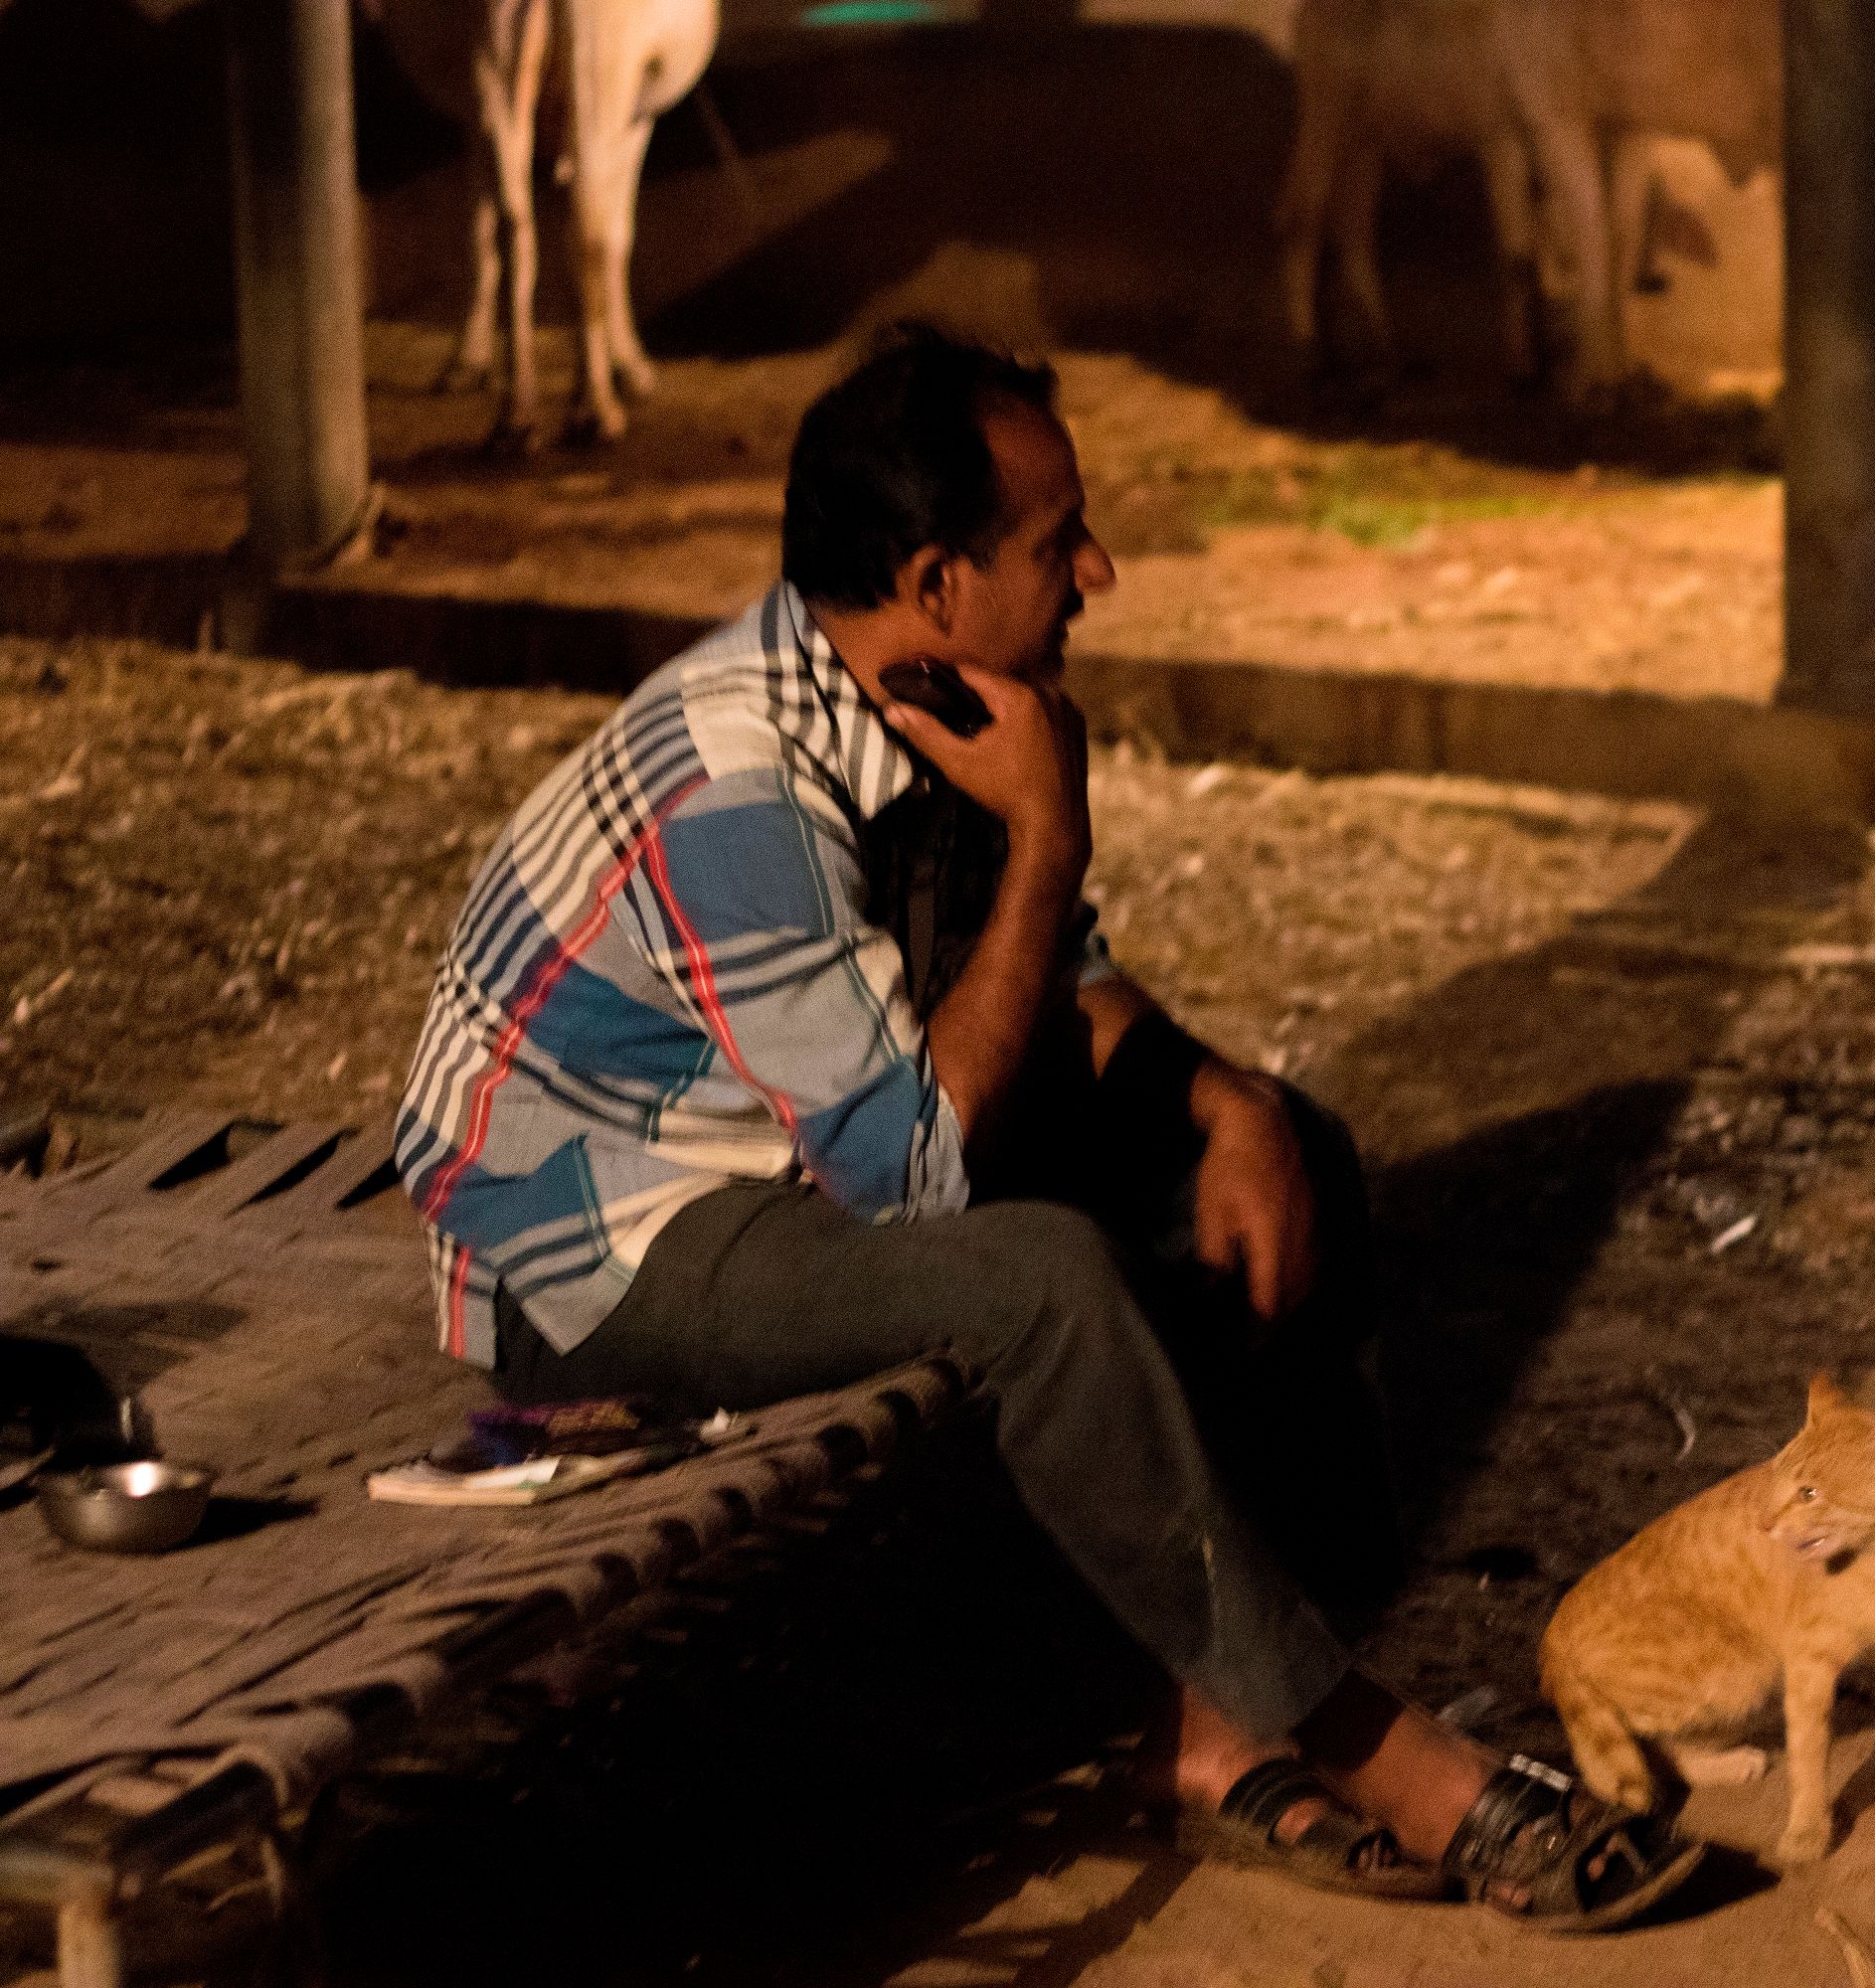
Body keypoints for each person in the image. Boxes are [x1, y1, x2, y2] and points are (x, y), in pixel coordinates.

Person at [393, 323, 1701, 1930]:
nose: (1101, 566)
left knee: (1288, 1156)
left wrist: (1225, 1103)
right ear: (936, 581)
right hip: (597, 1243)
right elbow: (917, 1176)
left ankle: (1214, 1735)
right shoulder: (736, 788)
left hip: (789, 1151)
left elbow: (1040, 976)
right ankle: (1376, 1749)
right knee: (1041, 1279)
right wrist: (1052, 829)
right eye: (1055, 539)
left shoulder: (916, 688)